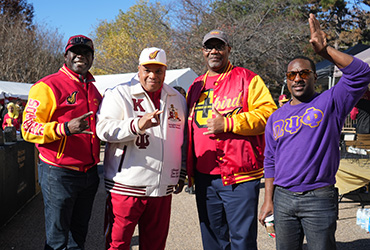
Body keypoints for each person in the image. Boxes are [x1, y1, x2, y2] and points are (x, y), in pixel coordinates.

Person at [259, 14, 370, 250]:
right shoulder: (275, 117)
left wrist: (325, 51)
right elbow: (270, 160)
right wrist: (268, 200)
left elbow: (361, 73)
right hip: (283, 198)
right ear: (287, 81)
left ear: (315, 77)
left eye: (304, 73)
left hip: (319, 198)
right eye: (292, 75)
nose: (297, 78)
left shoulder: (331, 101)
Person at [186, 30, 277, 249]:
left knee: (242, 240)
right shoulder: (195, 86)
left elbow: (269, 115)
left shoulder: (248, 79)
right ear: (203, 51)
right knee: (212, 240)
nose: (214, 51)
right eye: (209, 47)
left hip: (240, 176)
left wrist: (229, 123)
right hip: (204, 177)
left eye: (219, 46)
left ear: (229, 49)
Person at [96, 47, 187, 250]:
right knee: (117, 245)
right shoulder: (119, 93)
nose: (152, 75)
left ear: (165, 71)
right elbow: (103, 130)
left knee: (155, 246)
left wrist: (180, 172)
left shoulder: (177, 98)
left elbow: (182, 139)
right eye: (147, 70)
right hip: (125, 187)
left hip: (162, 189)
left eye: (158, 70)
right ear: (139, 69)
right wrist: (136, 125)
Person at [21, 35, 102, 250]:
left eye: (86, 52)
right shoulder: (47, 86)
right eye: (75, 51)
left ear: (92, 58)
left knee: (79, 236)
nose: (80, 56)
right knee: (57, 239)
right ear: (66, 55)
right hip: (59, 173)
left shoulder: (94, 90)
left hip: (90, 173)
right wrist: (63, 128)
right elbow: (27, 129)